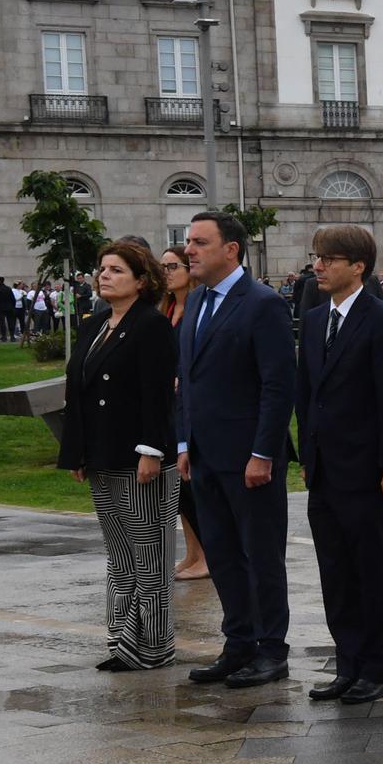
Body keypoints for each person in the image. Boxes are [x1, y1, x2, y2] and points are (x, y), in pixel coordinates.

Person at [174, 211, 295, 689]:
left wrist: (263, 452)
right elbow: (187, 382)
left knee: (260, 555)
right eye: (188, 242)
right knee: (222, 555)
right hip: (204, 455)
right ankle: (238, 642)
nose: (189, 250)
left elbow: (277, 385)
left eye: (200, 242)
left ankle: (271, 649)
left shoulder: (262, 304)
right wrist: (184, 442)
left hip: (250, 459)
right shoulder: (196, 300)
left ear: (231, 250)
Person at [295, 225, 383, 705]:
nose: (318, 266)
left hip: (366, 472)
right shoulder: (316, 315)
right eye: (317, 257)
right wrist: (307, 453)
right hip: (324, 470)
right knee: (335, 571)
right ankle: (347, 664)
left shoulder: (381, 320)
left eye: (328, 258)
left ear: (357, 266)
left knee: (371, 570)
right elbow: (307, 393)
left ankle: (377, 668)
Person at [58, 242, 178, 671]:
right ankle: (122, 641)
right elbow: (79, 392)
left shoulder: (151, 325)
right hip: (102, 455)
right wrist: (77, 450)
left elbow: (158, 394)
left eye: (116, 270)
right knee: (120, 554)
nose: (104, 275)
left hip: (139, 458)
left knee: (150, 554)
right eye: (102, 269)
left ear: (142, 281)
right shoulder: (95, 325)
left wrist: (152, 450)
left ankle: (153, 645)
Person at [156, 248, 208, 581]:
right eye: (161, 267)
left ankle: (207, 555)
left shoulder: (197, 308)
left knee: (191, 485)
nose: (166, 272)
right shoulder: (168, 308)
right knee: (178, 489)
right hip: (167, 404)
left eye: (172, 266)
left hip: (188, 405)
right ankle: (193, 552)